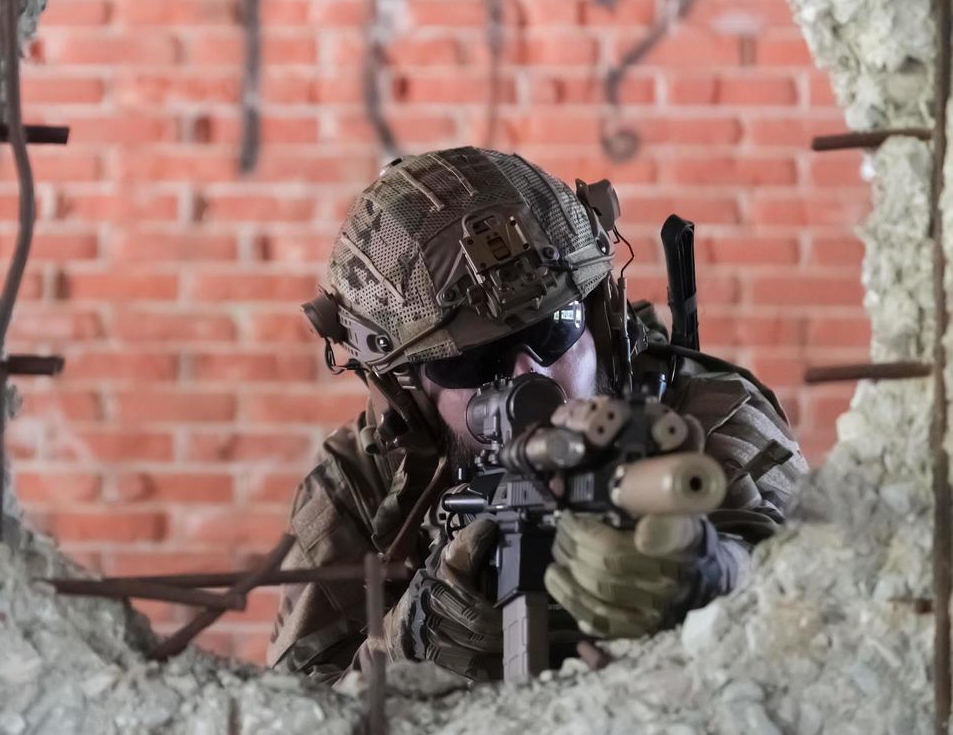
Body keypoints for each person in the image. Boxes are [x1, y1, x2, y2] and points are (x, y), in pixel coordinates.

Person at [265, 146, 807, 684]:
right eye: (474, 361)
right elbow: (296, 709)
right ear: (406, 392)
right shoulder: (359, 486)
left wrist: (708, 575)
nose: (530, 377)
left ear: (599, 318)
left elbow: (824, 606)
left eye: (554, 329)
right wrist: (424, 633)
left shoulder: (704, 411)